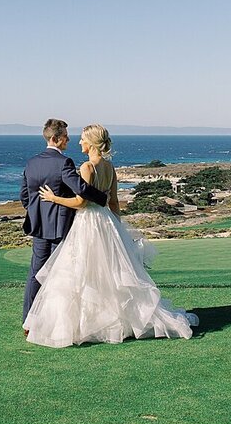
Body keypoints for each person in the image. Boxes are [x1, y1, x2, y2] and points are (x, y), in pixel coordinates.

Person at [22, 124, 198, 348]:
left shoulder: (86, 167)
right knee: (109, 273)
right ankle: (115, 320)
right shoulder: (110, 167)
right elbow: (113, 201)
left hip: (87, 223)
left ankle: (72, 323)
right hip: (106, 221)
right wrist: (118, 227)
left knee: (81, 274)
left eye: (82, 139)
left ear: (91, 143)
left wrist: (53, 199)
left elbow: (81, 201)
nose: (78, 142)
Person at [19, 119, 108, 331]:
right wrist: (102, 199)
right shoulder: (64, 163)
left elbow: (24, 195)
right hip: (61, 227)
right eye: (65, 136)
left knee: (35, 274)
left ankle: (28, 323)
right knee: (62, 275)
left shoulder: (31, 162)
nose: (68, 139)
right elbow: (79, 188)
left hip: (38, 227)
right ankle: (58, 323)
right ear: (55, 139)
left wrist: (37, 212)